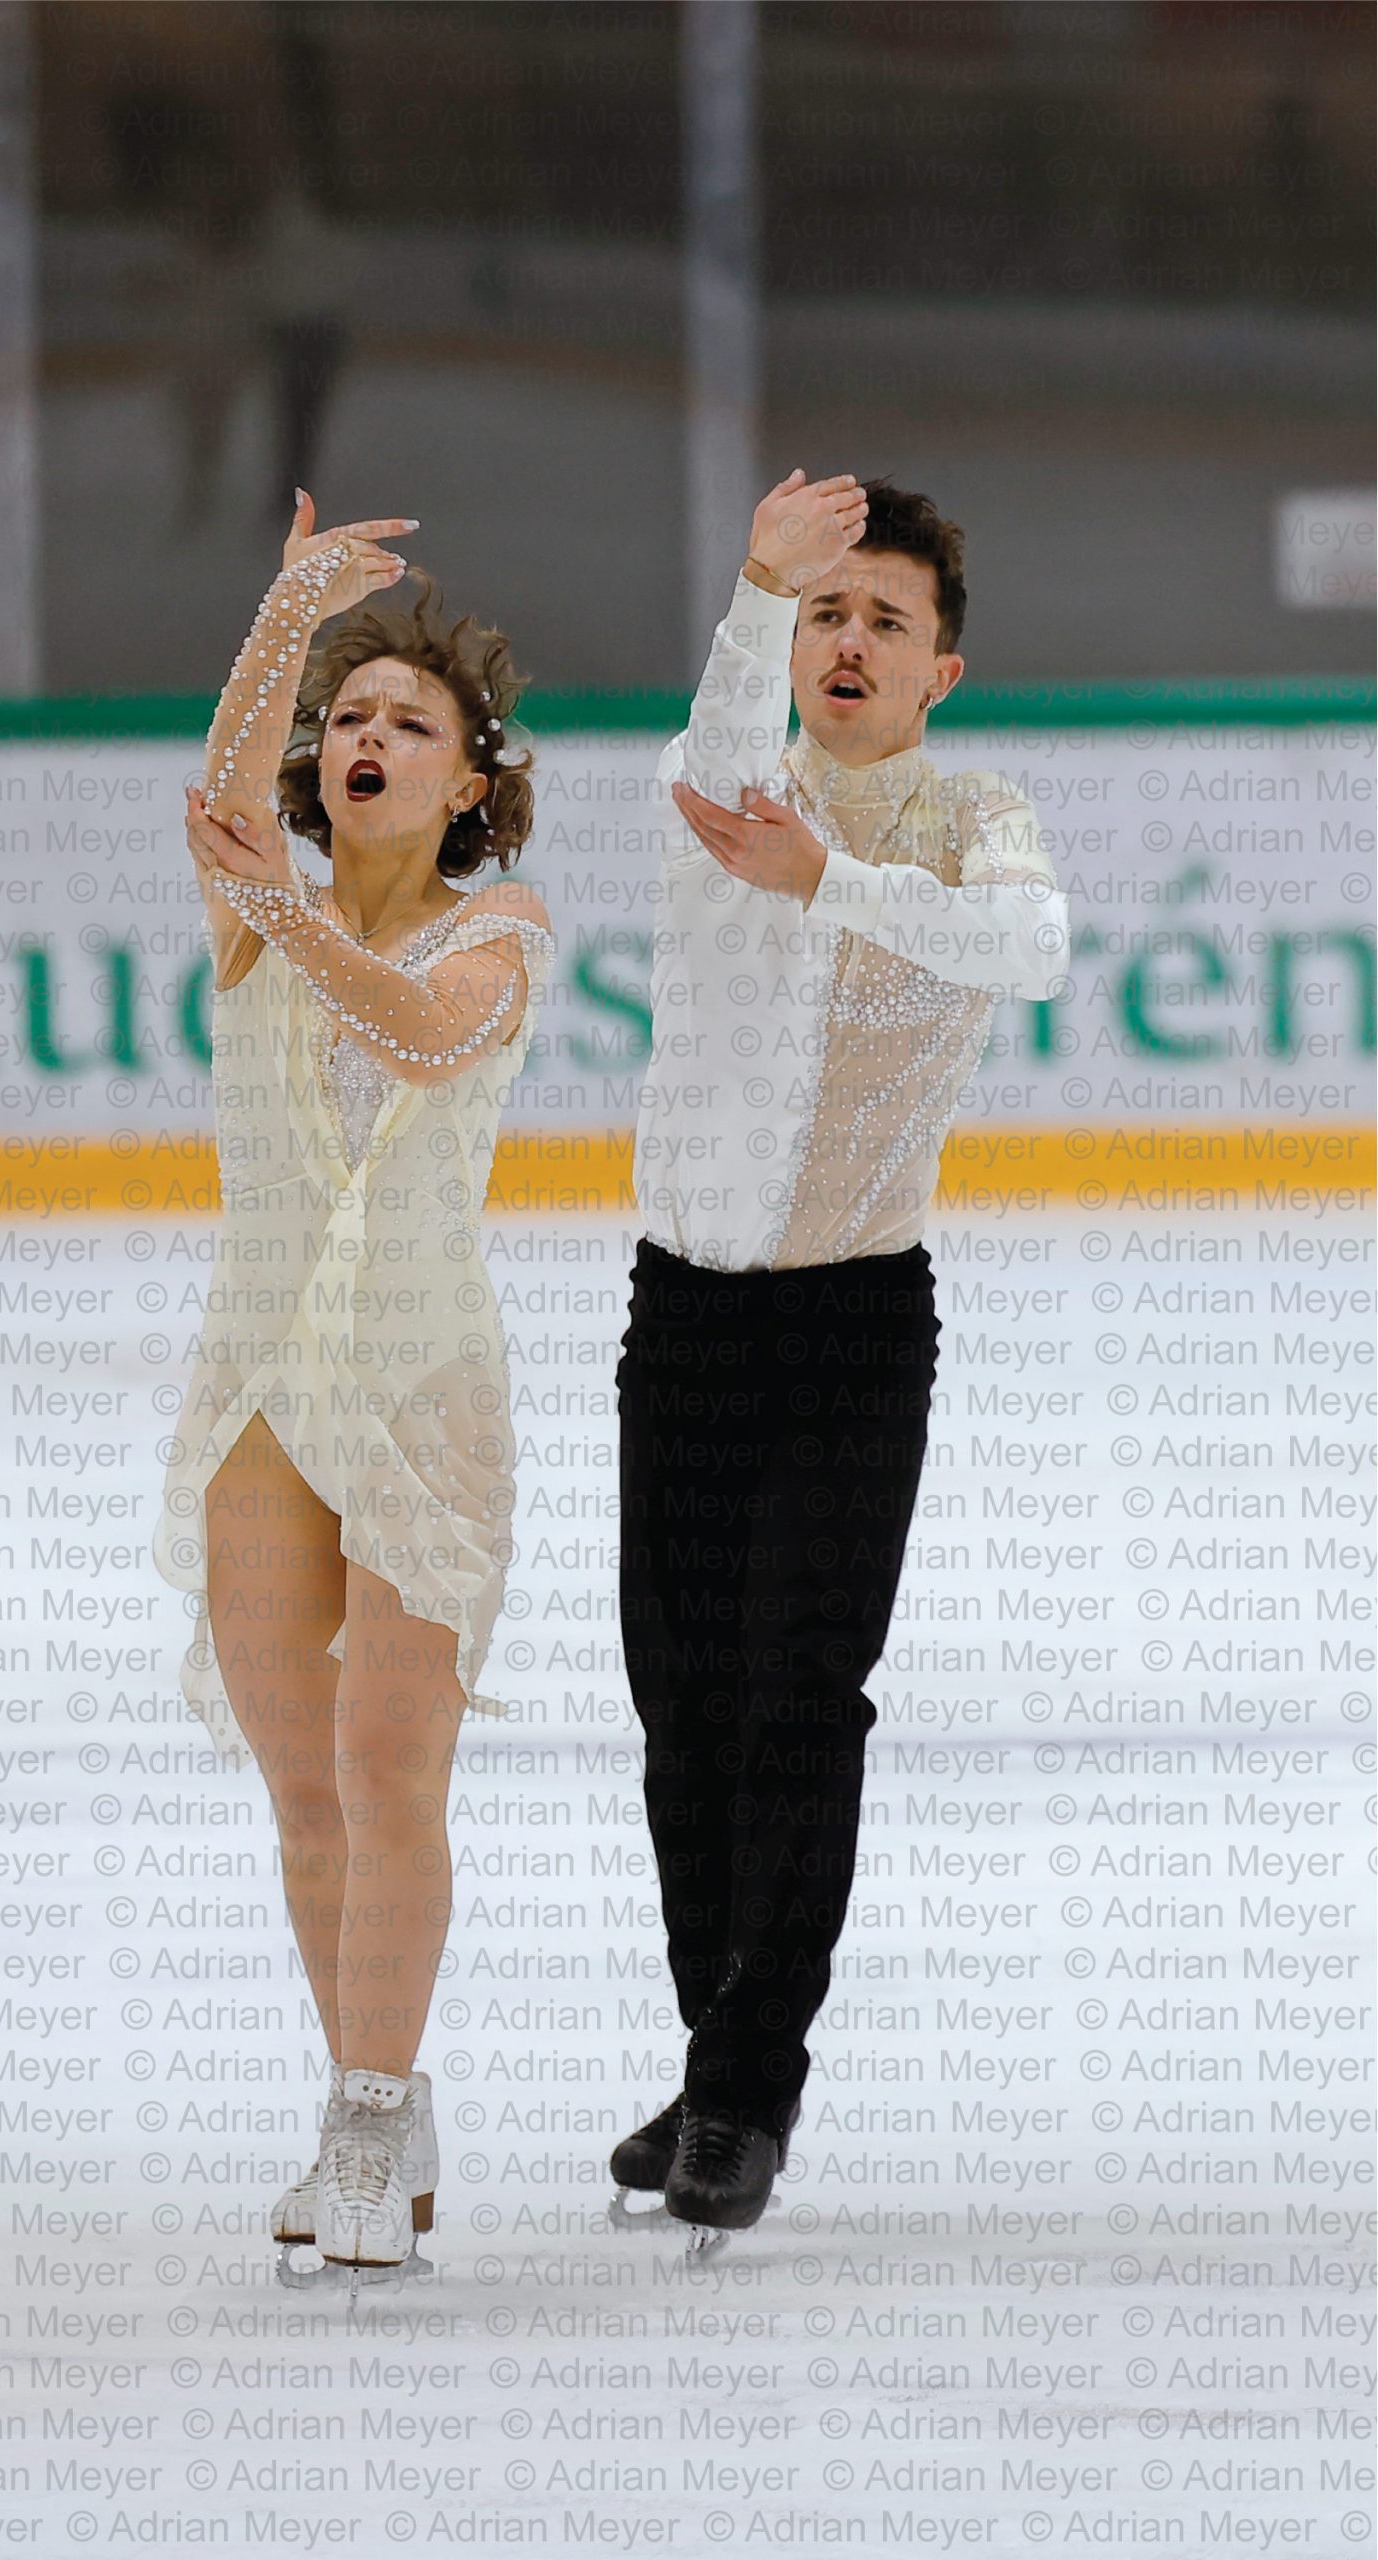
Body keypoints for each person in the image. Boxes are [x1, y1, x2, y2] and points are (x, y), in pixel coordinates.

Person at [613, 471, 1069, 2232]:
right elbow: (728, 723)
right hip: (687, 1319)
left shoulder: (976, 821)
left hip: (857, 1320)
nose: (850, 642)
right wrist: (748, 582)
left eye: (886, 619)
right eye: (828, 615)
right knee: (684, 1715)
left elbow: (1030, 950)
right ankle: (715, 2053)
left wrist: (844, 881)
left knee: (804, 1704)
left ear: (943, 666)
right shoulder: (719, 799)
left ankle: (744, 2097)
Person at [153, 493, 555, 2268]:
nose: (369, 739)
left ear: (469, 779)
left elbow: (425, 1029)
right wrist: (291, 610)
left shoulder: (502, 927)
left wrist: (291, 918)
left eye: (413, 722)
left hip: (420, 1393)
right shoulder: (257, 912)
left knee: (392, 1770)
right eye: (351, 719)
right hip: (257, 1394)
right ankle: (371, 2091)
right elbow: (233, 794)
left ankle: (369, 2128)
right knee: (303, 1783)